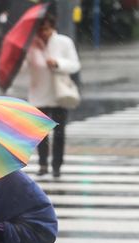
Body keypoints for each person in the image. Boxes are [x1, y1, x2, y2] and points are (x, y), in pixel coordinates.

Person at [26, 13, 80, 178]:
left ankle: (57, 165)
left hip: (59, 95)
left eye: (47, 29)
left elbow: (75, 65)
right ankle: (43, 163)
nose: (44, 33)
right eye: (40, 29)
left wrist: (57, 63)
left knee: (59, 132)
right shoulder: (31, 45)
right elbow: (23, 69)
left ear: (53, 27)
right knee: (41, 133)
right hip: (38, 94)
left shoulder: (64, 42)